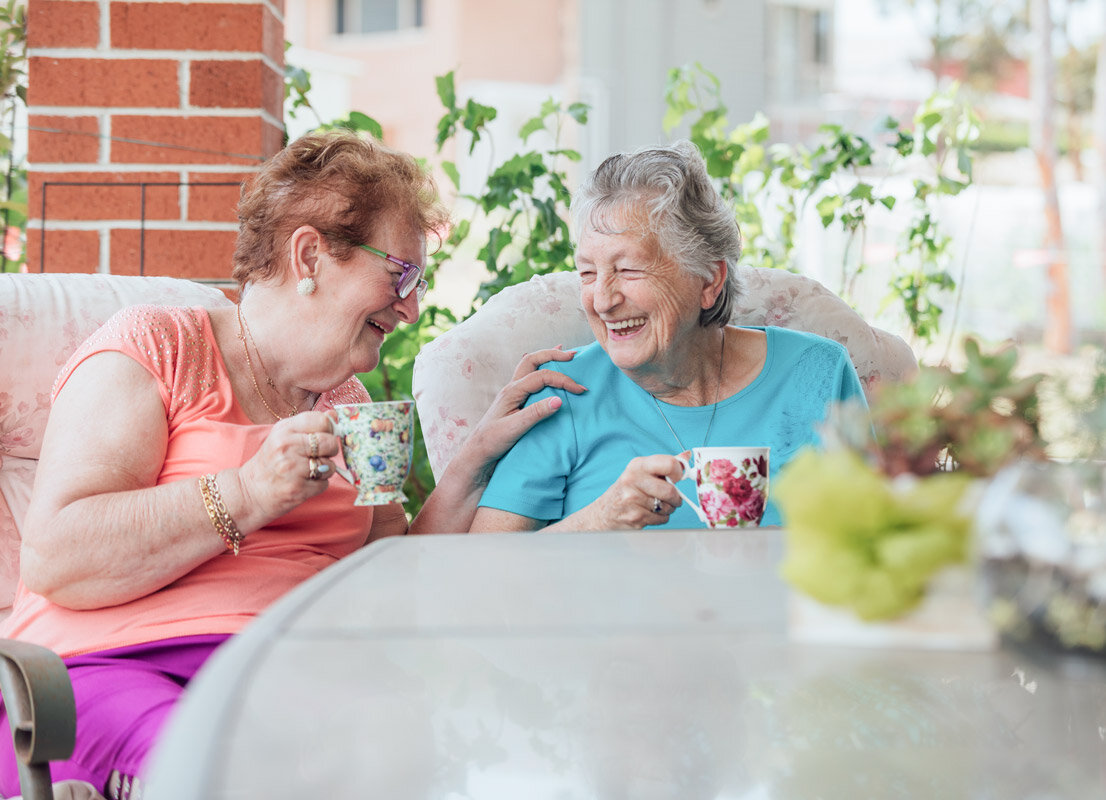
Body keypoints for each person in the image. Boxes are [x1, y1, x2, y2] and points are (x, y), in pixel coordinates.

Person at [0, 130, 583, 800]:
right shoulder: (155, 346)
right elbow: (56, 557)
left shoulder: (349, 401)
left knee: (421, 748)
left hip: (287, 683)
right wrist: (247, 493)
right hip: (112, 670)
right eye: (401, 275)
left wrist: (480, 452)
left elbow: (392, 570)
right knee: (220, 760)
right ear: (310, 255)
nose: (412, 307)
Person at [472, 140, 868, 533]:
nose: (603, 301)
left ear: (709, 281)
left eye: (628, 270)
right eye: (588, 273)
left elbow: (878, 540)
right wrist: (597, 520)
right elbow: (482, 572)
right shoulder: (560, 396)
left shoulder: (818, 374)